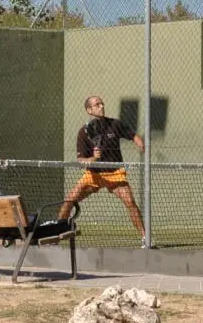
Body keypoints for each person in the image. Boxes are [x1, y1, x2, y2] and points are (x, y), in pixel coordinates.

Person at [59, 96, 150, 247]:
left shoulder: (115, 124)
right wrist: (93, 158)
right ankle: (57, 232)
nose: (101, 106)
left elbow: (132, 135)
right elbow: (81, 160)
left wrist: (140, 143)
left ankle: (146, 238)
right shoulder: (84, 132)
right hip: (93, 175)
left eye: (102, 103)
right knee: (69, 200)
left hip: (115, 173)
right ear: (89, 110)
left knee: (130, 202)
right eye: (97, 104)